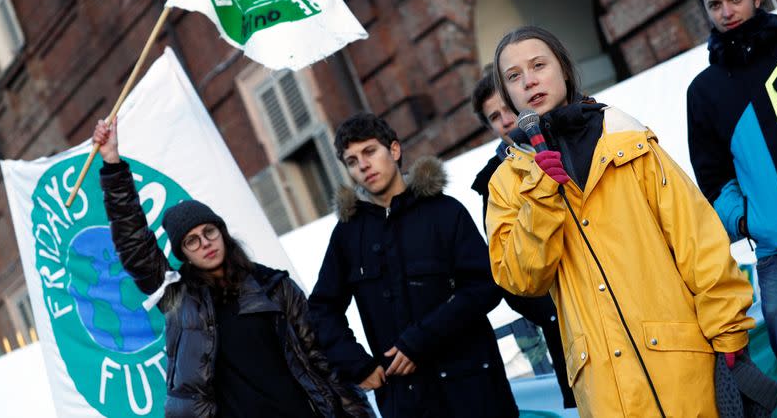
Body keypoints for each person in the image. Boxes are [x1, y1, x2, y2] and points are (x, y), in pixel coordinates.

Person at [485, 26, 755, 417]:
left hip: (683, 365)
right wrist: (540, 198)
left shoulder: (626, 136)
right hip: (605, 386)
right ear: (508, 94)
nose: (528, 81)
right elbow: (521, 278)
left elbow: (695, 236)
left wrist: (728, 325)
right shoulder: (508, 183)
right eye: (513, 76)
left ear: (562, 68)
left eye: (538, 65)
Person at [92, 118, 373, 418]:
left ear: (222, 233)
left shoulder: (274, 286)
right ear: (183, 254)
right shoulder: (180, 299)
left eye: (209, 232)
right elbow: (134, 243)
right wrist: (112, 162)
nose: (205, 243)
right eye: (192, 241)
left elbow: (321, 359)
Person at [308, 113, 518, 418]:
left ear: (393, 150)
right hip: (407, 401)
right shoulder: (348, 234)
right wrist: (357, 365)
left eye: (369, 152)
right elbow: (321, 310)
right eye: (351, 161)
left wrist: (422, 338)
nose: (363, 165)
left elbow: (485, 285)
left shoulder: (445, 212)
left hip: (474, 391)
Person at [688, 0, 777, 413]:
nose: (727, 13)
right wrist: (747, 221)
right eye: (715, 4)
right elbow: (711, 179)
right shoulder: (705, 91)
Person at [470, 71, 575, 408]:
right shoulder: (492, 182)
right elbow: (506, 269)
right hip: (566, 329)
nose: (504, 121)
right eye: (493, 117)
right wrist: (556, 310)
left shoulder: (575, 137)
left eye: (506, 109)